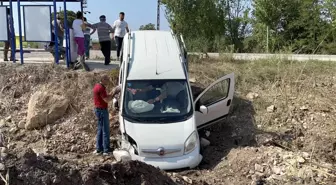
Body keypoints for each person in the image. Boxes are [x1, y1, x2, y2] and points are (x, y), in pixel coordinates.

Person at [93, 75, 121, 155]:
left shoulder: (98, 86)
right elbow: (107, 100)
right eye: (107, 79)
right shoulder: (101, 88)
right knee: (105, 130)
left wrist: (112, 93)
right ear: (102, 79)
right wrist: (114, 92)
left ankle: (99, 149)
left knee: (100, 129)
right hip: (102, 110)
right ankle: (106, 149)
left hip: (99, 110)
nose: (108, 80)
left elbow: (105, 97)